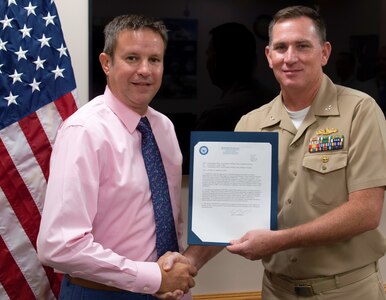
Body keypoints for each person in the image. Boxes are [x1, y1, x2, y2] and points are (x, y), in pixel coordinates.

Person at [227, 5, 386, 300]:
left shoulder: (359, 111)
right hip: (276, 290)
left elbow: (366, 212)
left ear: (324, 53)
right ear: (268, 56)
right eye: (281, 47)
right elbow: (230, 211)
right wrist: (190, 262)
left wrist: (278, 241)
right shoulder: (250, 124)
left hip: (347, 291)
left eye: (302, 46)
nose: (290, 58)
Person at [37, 14, 199, 300]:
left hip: (168, 291)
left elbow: (169, 219)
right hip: (102, 293)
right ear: (106, 63)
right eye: (132, 58)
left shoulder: (164, 127)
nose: (145, 70)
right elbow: (59, 245)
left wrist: (171, 274)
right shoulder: (84, 131)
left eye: (155, 60)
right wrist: (152, 277)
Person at [194, 22, 276, 131]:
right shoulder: (274, 101)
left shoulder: (217, 116)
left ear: (220, 61)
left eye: (209, 55)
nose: (207, 63)